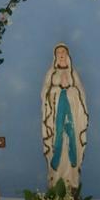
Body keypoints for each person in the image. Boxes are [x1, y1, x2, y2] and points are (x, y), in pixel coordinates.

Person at [41, 43, 88, 189]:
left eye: (63, 52)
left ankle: (71, 181)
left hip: (71, 114)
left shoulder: (73, 73)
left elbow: (81, 93)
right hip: (56, 116)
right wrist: (58, 89)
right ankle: (56, 181)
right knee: (58, 139)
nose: (61, 54)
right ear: (55, 56)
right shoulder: (51, 73)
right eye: (59, 52)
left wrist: (70, 91)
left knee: (71, 138)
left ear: (67, 55)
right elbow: (44, 93)